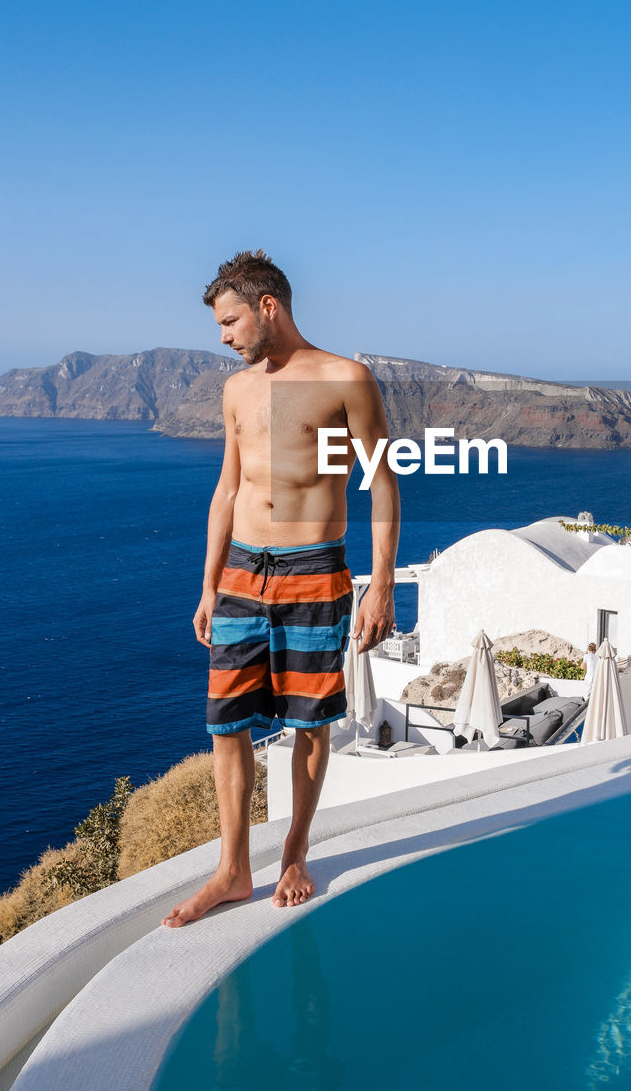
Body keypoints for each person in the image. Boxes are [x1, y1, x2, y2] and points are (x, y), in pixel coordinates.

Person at [163, 250, 400, 926]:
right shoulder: (237, 389)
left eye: (230, 320)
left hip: (312, 569)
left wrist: (381, 583)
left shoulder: (343, 378)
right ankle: (232, 870)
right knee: (226, 725)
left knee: (309, 723)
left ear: (268, 306)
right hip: (241, 571)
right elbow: (227, 488)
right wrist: (208, 585)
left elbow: (381, 481)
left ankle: (294, 853)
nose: (223, 336)